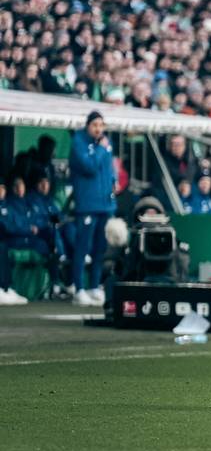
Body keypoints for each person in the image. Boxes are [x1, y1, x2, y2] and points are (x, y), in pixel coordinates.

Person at [69, 111, 116, 307]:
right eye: (95, 125)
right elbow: (89, 167)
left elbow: (109, 168)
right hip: (88, 203)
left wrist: (114, 182)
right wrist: (100, 150)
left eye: (101, 125)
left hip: (105, 204)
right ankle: (78, 287)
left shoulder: (105, 143)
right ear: (88, 125)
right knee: (82, 247)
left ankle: (94, 286)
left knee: (100, 248)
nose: (98, 129)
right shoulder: (79, 142)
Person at [0, 179, 29, 305]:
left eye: (2, 188)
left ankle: (6, 288)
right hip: (9, 238)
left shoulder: (7, 205)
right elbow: (7, 227)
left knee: (3, 248)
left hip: (7, 239)